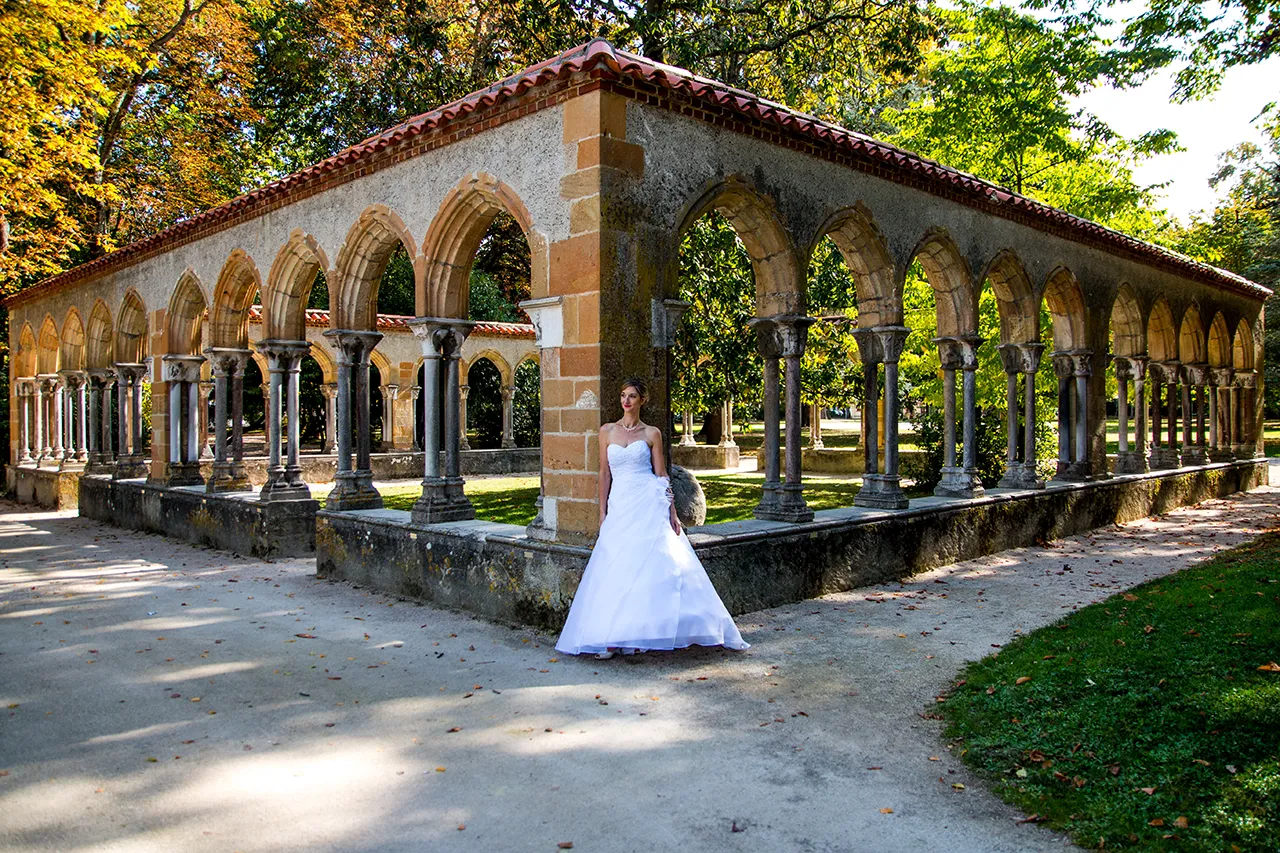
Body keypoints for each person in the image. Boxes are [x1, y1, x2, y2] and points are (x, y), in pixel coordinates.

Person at [555, 378, 750, 659]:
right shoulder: (607, 431)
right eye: (623, 395)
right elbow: (604, 474)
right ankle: (610, 636)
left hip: (648, 502)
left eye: (632, 396)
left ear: (641, 400)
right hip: (620, 503)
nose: (626, 401)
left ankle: (638, 634)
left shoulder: (652, 433)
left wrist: (671, 512)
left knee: (649, 566)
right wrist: (602, 512)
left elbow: (661, 475)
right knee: (617, 564)